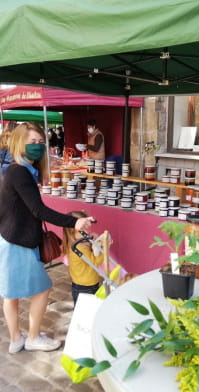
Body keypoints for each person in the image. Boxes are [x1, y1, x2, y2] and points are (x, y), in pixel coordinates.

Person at [0, 122, 95, 354]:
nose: (37, 146)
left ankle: (16, 340)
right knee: (42, 289)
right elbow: (39, 210)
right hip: (18, 242)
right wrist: (75, 221)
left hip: (10, 238)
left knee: (11, 294)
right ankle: (31, 337)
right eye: (32, 142)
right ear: (19, 143)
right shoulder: (19, 171)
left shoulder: (16, 170)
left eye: (41, 142)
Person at [62, 210, 104, 306]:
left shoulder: (76, 242)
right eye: (84, 230)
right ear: (72, 230)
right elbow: (95, 262)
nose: (87, 232)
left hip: (82, 283)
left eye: (87, 229)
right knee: (85, 311)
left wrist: (93, 241)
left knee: (84, 310)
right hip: (86, 286)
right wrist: (104, 247)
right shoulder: (79, 247)